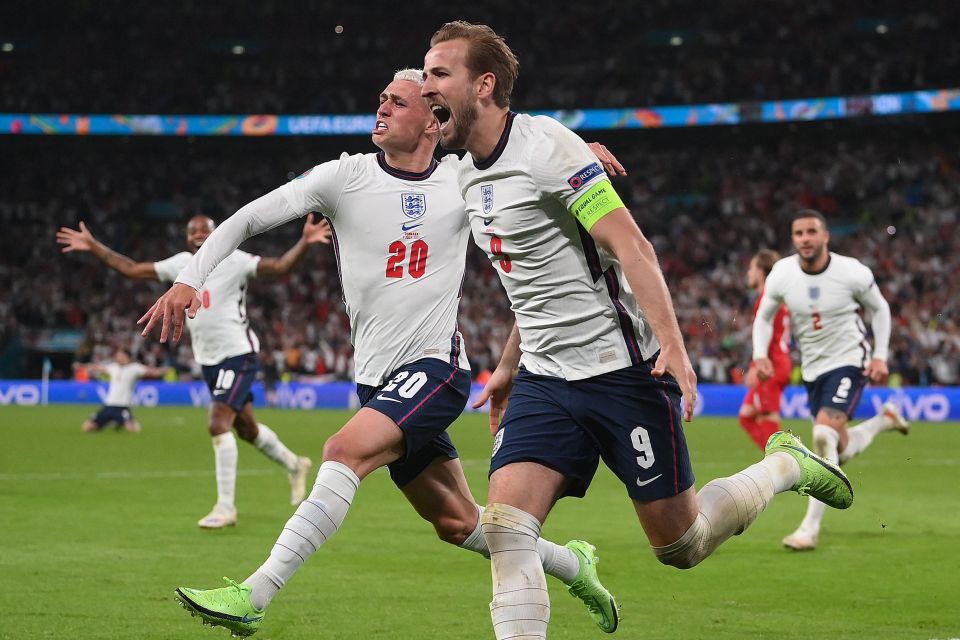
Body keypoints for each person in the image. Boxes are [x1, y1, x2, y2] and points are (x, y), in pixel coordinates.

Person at [139, 70, 621, 637]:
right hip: (376, 380)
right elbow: (246, 219)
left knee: (343, 450)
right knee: (458, 522)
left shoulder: (466, 179)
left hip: (436, 371)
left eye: (398, 101)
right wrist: (189, 279)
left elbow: (524, 153)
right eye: (382, 99)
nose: (383, 108)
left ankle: (255, 593)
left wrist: (572, 152)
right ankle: (573, 564)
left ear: (432, 120)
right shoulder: (342, 177)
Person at [420, 21, 855, 639]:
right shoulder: (464, 170)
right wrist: (511, 365)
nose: (425, 82)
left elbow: (633, 248)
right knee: (506, 528)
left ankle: (782, 466)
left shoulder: (550, 153)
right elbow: (538, 278)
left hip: (622, 373)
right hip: (546, 379)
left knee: (681, 544)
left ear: (483, 84)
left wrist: (674, 348)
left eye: (439, 72)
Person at [56, 214, 327, 527]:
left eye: (205, 229)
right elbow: (131, 270)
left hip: (239, 354)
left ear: (217, 234)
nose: (198, 233)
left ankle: (225, 508)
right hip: (209, 361)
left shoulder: (234, 259)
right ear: (186, 238)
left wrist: (304, 242)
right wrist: (93, 245)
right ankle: (295, 464)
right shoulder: (181, 265)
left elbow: (279, 268)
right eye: (192, 230)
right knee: (246, 429)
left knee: (217, 423)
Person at [753, 210, 909, 551]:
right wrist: (759, 354)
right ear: (793, 239)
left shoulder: (851, 271)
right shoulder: (782, 273)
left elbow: (880, 309)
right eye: (798, 233)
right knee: (834, 447)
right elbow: (764, 316)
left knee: (822, 434)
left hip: (850, 360)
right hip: (812, 369)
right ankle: (883, 421)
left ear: (826, 236)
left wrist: (880, 355)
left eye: (811, 232)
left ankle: (809, 528)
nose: (805, 238)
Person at [738, 249, 791, 449]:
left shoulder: (766, 300)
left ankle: (783, 461)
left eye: (751, 268)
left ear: (761, 271)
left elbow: (766, 339)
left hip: (770, 364)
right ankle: (777, 459)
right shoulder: (778, 299)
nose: (748, 273)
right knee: (746, 416)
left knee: (769, 416)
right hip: (777, 361)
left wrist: (755, 366)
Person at [77, 346, 168, 433]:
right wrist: (82, 366)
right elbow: (98, 367)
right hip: (108, 405)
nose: (117, 358)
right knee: (86, 428)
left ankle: (118, 422)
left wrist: (162, 371)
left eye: (119, 355)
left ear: (126, 356)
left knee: (133, 430)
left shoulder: (135, 368)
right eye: (117, 355)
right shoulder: (113, 367)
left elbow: (152, 372)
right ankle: (111, 422)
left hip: (122, 406)